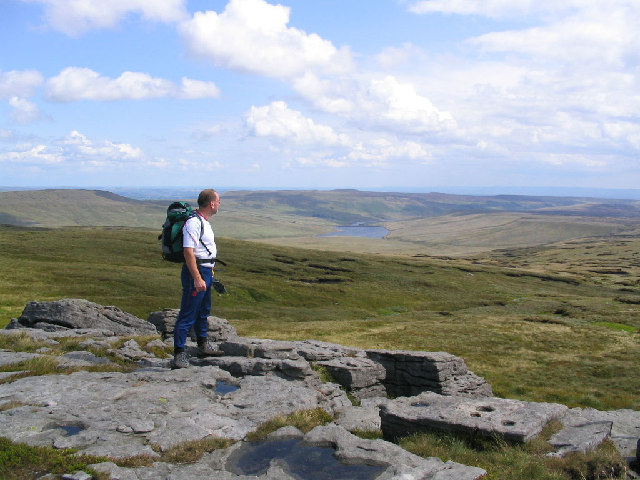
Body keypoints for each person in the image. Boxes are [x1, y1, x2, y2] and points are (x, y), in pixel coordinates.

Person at [173, 189, 221, 369]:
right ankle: (179, 354)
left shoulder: (204, 222)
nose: (219, 204)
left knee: (203, 310)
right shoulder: (194, 222)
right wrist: (197, 278)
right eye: (218, 201)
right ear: (212, 203)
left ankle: (202, 344)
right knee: (187, 313)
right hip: (197, 272)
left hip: (207, 271)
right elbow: (188, 251)